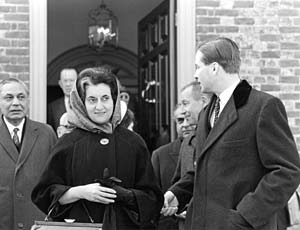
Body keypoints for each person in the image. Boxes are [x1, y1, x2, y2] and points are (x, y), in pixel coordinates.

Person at [161, 37, 300, 230]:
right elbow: (203, 167)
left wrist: (245, 216)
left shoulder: (263, 107)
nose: (195, 74)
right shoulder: (205, 114)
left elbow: (287, 171)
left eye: (198, 67)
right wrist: (177, 193)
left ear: (215, 68)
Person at [31, 67, 163, 229]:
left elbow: (153, 198)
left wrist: (127, 196)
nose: (99, 107)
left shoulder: (134, 142)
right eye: (92, 100)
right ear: (82, 103)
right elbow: (43, 194)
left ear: (114, 100)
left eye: (105, 98)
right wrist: (80, 192)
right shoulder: (68, 143)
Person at [0, 78, 57, 230]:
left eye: (21, 97)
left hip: (37, 222)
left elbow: (56, 180)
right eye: (8, 97)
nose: (16, 103)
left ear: (28, 100)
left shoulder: (46, 133)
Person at [171, 83, 211, 230]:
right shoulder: (188, 141)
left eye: (185, 104)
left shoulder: (223, 133)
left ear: (203, 101)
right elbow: (182, 180)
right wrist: (176, 201)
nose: (183, 110)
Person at [151, 105, 186, 230]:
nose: (185, 125)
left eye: (190, 120)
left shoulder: (211, 153)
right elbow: (152, 198)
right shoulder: (160, 155)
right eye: (180, 120)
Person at [47, 68, 77, 132]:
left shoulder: (85, 104)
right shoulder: (52, 107)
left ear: (77, 83)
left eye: (71, 80)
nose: (68, 84)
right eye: (65, 81)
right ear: (60, 83)